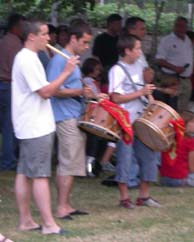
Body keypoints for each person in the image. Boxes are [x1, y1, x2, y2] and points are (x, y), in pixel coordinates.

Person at [12, 20, 79, 235]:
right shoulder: (27, 59)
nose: (48, 38)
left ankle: (26, 221)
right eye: (44, 34)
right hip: (35, 126)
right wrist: (66, 72)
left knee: (24, 173)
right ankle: (49, 225)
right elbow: (46, 92)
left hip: (29, 124)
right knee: (40, 175)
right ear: (31, 36)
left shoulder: (28, 58)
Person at [46, 20, 94, 219]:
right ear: (73, 38)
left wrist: (86, 93)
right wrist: (80, 91)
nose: (86, 47)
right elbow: (52, 89)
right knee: (67, 162)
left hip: (73, 114)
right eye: (84, 42)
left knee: (72, 161)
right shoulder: (59, 59)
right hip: (64, 116)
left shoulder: (70, 58)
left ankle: (66, 204)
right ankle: (61, 207)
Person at [109, 34, 161, 208]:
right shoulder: (117, 70)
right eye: (137, 48)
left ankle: (144, 196)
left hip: (142, 119)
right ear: (127, 51)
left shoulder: (139, 66)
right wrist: (140, 93)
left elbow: (144, 90)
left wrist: (150, 99)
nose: (140, 51)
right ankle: (124, 198)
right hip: (125, 121)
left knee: (149, 155)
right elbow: (115, 98)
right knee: (125, 157)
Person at [0, 13, 26, 171]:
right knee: (11, 125)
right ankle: (8, 160)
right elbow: (17, 70)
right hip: (9, 86)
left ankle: (7, 157)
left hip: (1, 84)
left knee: (6, 125)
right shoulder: (16, 45)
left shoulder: (3, 41)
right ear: (16, 27)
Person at [81, 57, 114, 176]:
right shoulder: (88, 81)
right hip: (89, 114)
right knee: (93, 139)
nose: (99, 72)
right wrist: (100, 96)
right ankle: (90, 165)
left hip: (93, 115)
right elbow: (92, 96)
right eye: (97, 69)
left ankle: (95, 163)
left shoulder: (92, 82)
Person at [155, 16, 193, 113]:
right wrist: (174, 68)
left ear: (186, 27)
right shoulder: (167, 40)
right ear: (174, 26)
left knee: (183, 108)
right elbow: (159, 60)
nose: (180, 28)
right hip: (171, 79)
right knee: (171, 109)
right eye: (178, 26)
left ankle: (180, 126)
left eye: (183, 26)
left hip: (186, 80)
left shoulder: (188, 40)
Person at [92, 13, 122, 93]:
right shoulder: (101, 38)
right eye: (118, 24)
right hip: (104, 69)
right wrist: (100, 69)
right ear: (111, 24)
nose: (120, 26)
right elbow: (95, 55)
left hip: (117, 68)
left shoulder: (120, 39)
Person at [160, 118, 194, 187]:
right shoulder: (190, 142)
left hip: (164, 180)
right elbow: (192, 168)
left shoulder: (167, 140)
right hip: (181, 180)